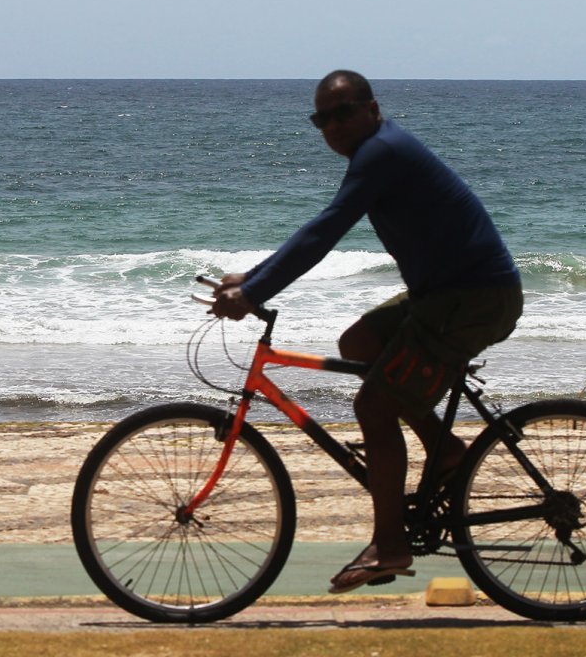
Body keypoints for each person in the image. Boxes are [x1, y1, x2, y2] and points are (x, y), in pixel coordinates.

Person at [209, 70, 522, 594]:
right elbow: (319, 230)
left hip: (472, 298)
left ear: (371, 109)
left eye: (343, 112)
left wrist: (256, 293)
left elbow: (324, 231)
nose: (333, 126)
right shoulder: (376, 151)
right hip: (445, 295)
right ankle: (445, 452)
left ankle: (391, 544)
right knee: (359, 344)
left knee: (374, 407)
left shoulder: (382, 151)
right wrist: (254, 278)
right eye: (321, 119)